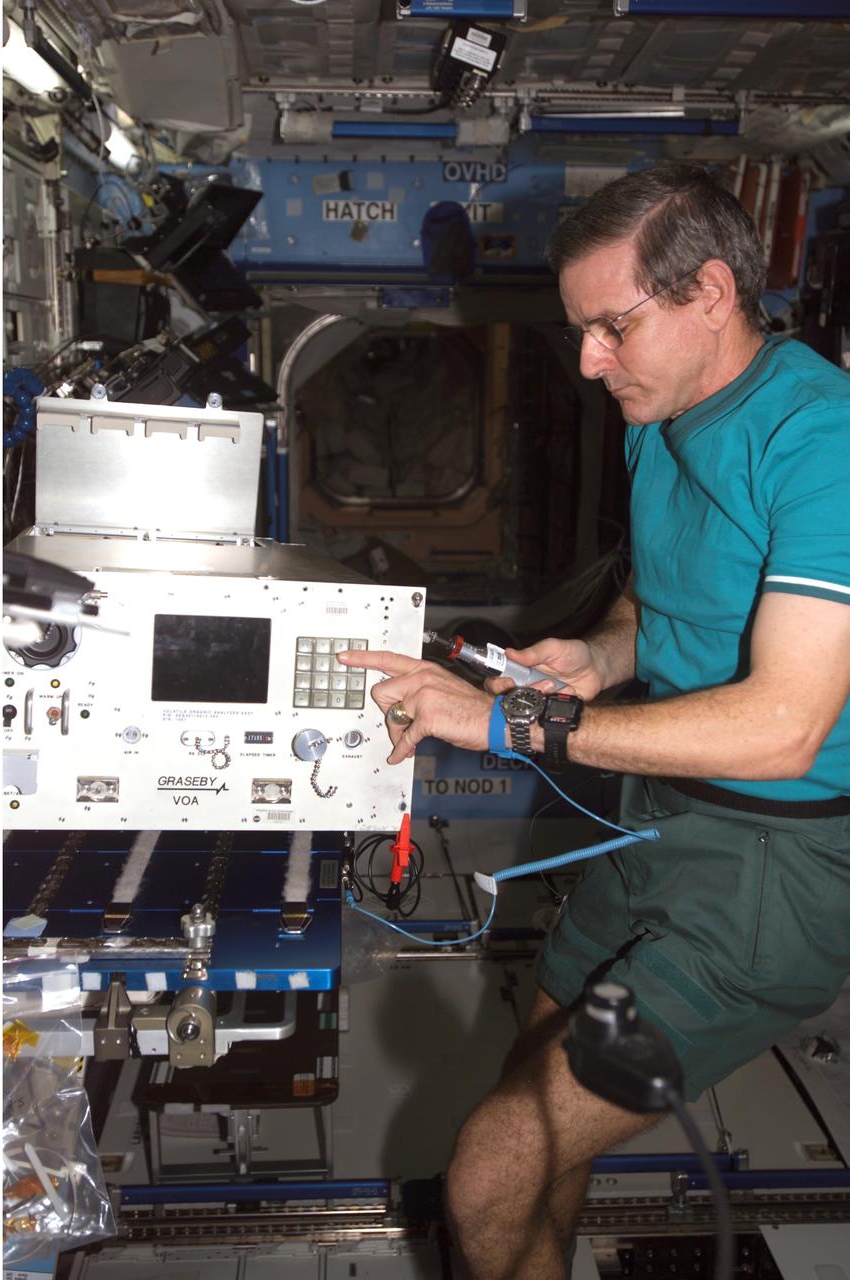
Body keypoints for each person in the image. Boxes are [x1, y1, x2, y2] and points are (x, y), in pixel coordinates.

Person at [339, 162, 850, 1279]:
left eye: (610, 327)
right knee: (533, 1064)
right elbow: (654, 591)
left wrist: (513, 724)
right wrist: (602, 653)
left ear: (710, 291)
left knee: (492, 1158)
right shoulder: (657, 409)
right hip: (656, 812)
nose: (587, 361)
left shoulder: (823, 443)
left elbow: (783, 727)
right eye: (578, 332)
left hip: (771, 870)